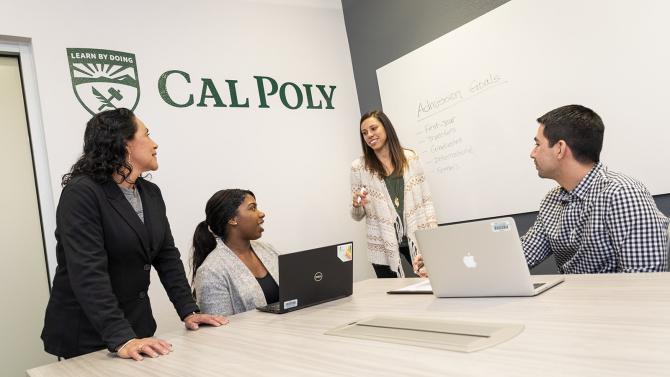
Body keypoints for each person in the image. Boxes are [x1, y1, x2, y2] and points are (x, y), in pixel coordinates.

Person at [41, 108, 227, 361]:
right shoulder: (82, 193)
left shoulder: (150, 192)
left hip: (136, 330)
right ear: (124, 143)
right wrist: (121, 337)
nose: (155, 143)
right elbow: (87, 271)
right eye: (147, 135)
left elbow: (166, 257)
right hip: (87, 335)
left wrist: (189, 310)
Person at [414, 104, 668, 276]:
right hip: (575, 315)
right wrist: (444, 262)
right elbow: (518, 256)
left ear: (559, 148)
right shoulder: (551, 203)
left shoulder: (622, 194)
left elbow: (645, 282)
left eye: (537, 144)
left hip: (616, 321)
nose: (532, 153)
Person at [350, 110, 438, 278]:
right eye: (364, 133)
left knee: (432, 282)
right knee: (390, 295)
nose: (369, 135)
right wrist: (357, 205)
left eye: (373, 128)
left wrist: (432, 239)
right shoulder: (359, 167)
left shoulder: (410, 158)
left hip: (416, 236)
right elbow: (357, 215)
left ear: (386, 128)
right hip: (382, 241)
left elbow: (426, 201)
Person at [191, 189, 280, 316]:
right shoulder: (211, 271)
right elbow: (219, 329)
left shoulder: (268, 250)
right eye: (252, 208)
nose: (261, 214)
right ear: (232, 219)